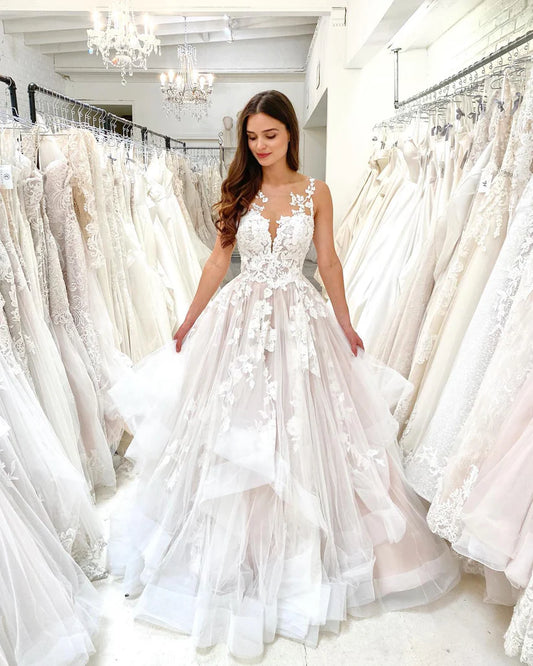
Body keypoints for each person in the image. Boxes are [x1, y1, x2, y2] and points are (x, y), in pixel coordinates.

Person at [108, 90, 460, 660]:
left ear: (290, 134)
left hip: (301, 319)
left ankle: (303, 554)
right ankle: (233, 552)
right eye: (251, 136)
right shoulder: (239, 192)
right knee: (233, 434)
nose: (260, 145)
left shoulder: (315, 192)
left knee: (308, 431)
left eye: (269, 135)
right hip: (239, 320)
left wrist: (345, 324)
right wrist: (189, 318)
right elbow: (219, 261)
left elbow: (328, 261)